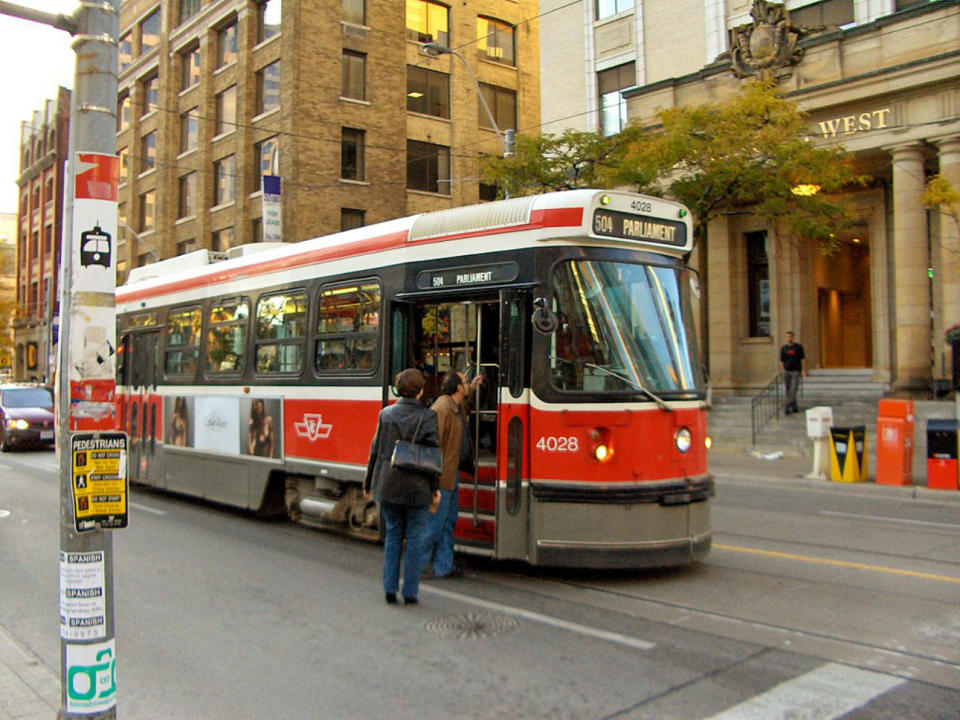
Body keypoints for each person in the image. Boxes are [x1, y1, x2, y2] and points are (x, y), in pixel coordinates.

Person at [363, 368, 441, 605]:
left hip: (388, 483)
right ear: (420, 390)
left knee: (393, 535)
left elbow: (375, 451)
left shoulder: (385, 414)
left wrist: (368, 482)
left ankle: (389, 588)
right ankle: (410, 592)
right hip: (418, 486)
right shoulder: (428, 417)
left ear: (398, 388)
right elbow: (432, 456)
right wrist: (434, 489)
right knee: (415, 538)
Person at [422, 370, 483, 580]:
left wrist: (473, 387)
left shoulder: (454, 405)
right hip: (442, 476)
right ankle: (418, 566)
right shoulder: (442, 408)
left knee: (448, 522)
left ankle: (443, 567)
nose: (466, 385)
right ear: (458, 387)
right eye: (465, 382)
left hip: (451, 473)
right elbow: (431, 443)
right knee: (435, 525)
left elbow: (466, 405)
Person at [780, 331, 806, 414]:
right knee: (788, 390)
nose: (789, 338)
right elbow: (782, 360)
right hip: (787, 371)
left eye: (790, 337)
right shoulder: (784, 348)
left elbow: (802, 359)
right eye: (787, 337)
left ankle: (786, 406)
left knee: (793, 390)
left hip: (795, 371)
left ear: (793, 337)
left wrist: (803, 370)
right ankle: (795, 407)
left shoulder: (798, 347)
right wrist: (782, 371)